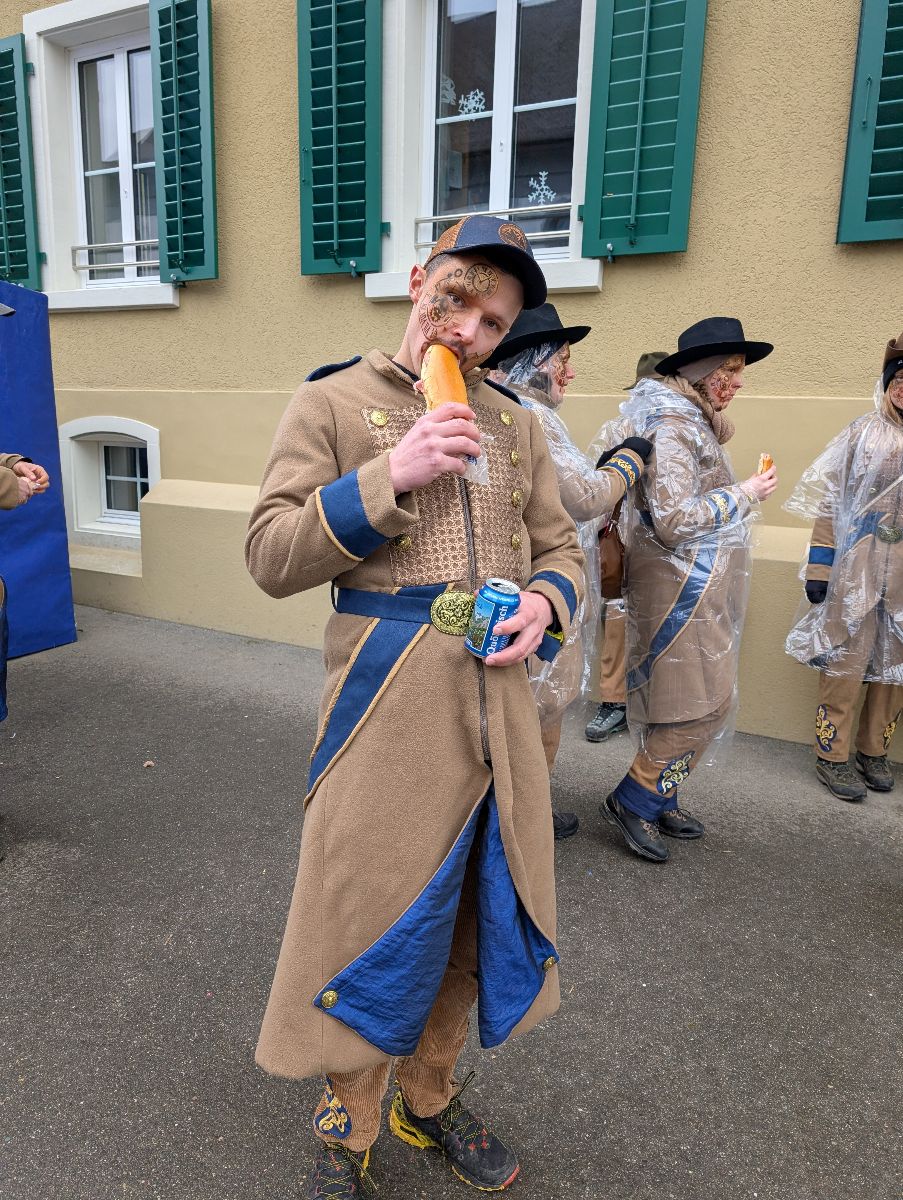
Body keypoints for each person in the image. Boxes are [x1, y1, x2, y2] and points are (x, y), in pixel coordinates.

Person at [245, 216, 585, 1198]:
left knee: (478, 922)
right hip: (384, 714)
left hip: (504, 718)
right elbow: (269, 556)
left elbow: (561, 548)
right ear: (415, 282)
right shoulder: (331, 401)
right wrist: (388, 475)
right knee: (370, 924)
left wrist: (546, 601)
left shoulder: (517, 422)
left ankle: (426, 1099)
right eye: (457, 298)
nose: (469, 329)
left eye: (495, 319)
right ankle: (347, 1131)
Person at [598, 317, 778, 863]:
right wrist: (746, 493)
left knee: (685, 702)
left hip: (694, 587)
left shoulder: (693, 421)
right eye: (730, 370)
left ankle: (661, 793)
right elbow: (674, 520)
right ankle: (635, 798)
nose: (738, 382)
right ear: (701, 372)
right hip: (680, 591)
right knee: (696, 705)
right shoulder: (675, 425)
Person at [486, 305, 652, 839]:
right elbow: (583, 497)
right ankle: (517, 822)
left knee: (532, 708)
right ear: (532, 361)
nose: (570, 372)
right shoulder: (527, 414)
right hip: (540, 584)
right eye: (562, 359)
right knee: (536, 708)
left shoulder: (507, 406)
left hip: (527, 581)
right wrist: (628, 461)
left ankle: (520, 812)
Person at [785, 332, 903, 801]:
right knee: (846, 663)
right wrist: (820, 567)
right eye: (899, 379)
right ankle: (831, 755)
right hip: (857, 570)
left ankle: (875, 751)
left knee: (894, 669)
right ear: (887, 383)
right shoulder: (862, 433)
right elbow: (831, 502)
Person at [585, 352, 668, 745]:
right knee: (617, 618)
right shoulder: (619, 427)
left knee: (662, 621)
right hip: (624, 539)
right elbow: (595, 482)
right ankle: (614, 701)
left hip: (667, 544)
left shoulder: (684, 432)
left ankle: (656, 706)